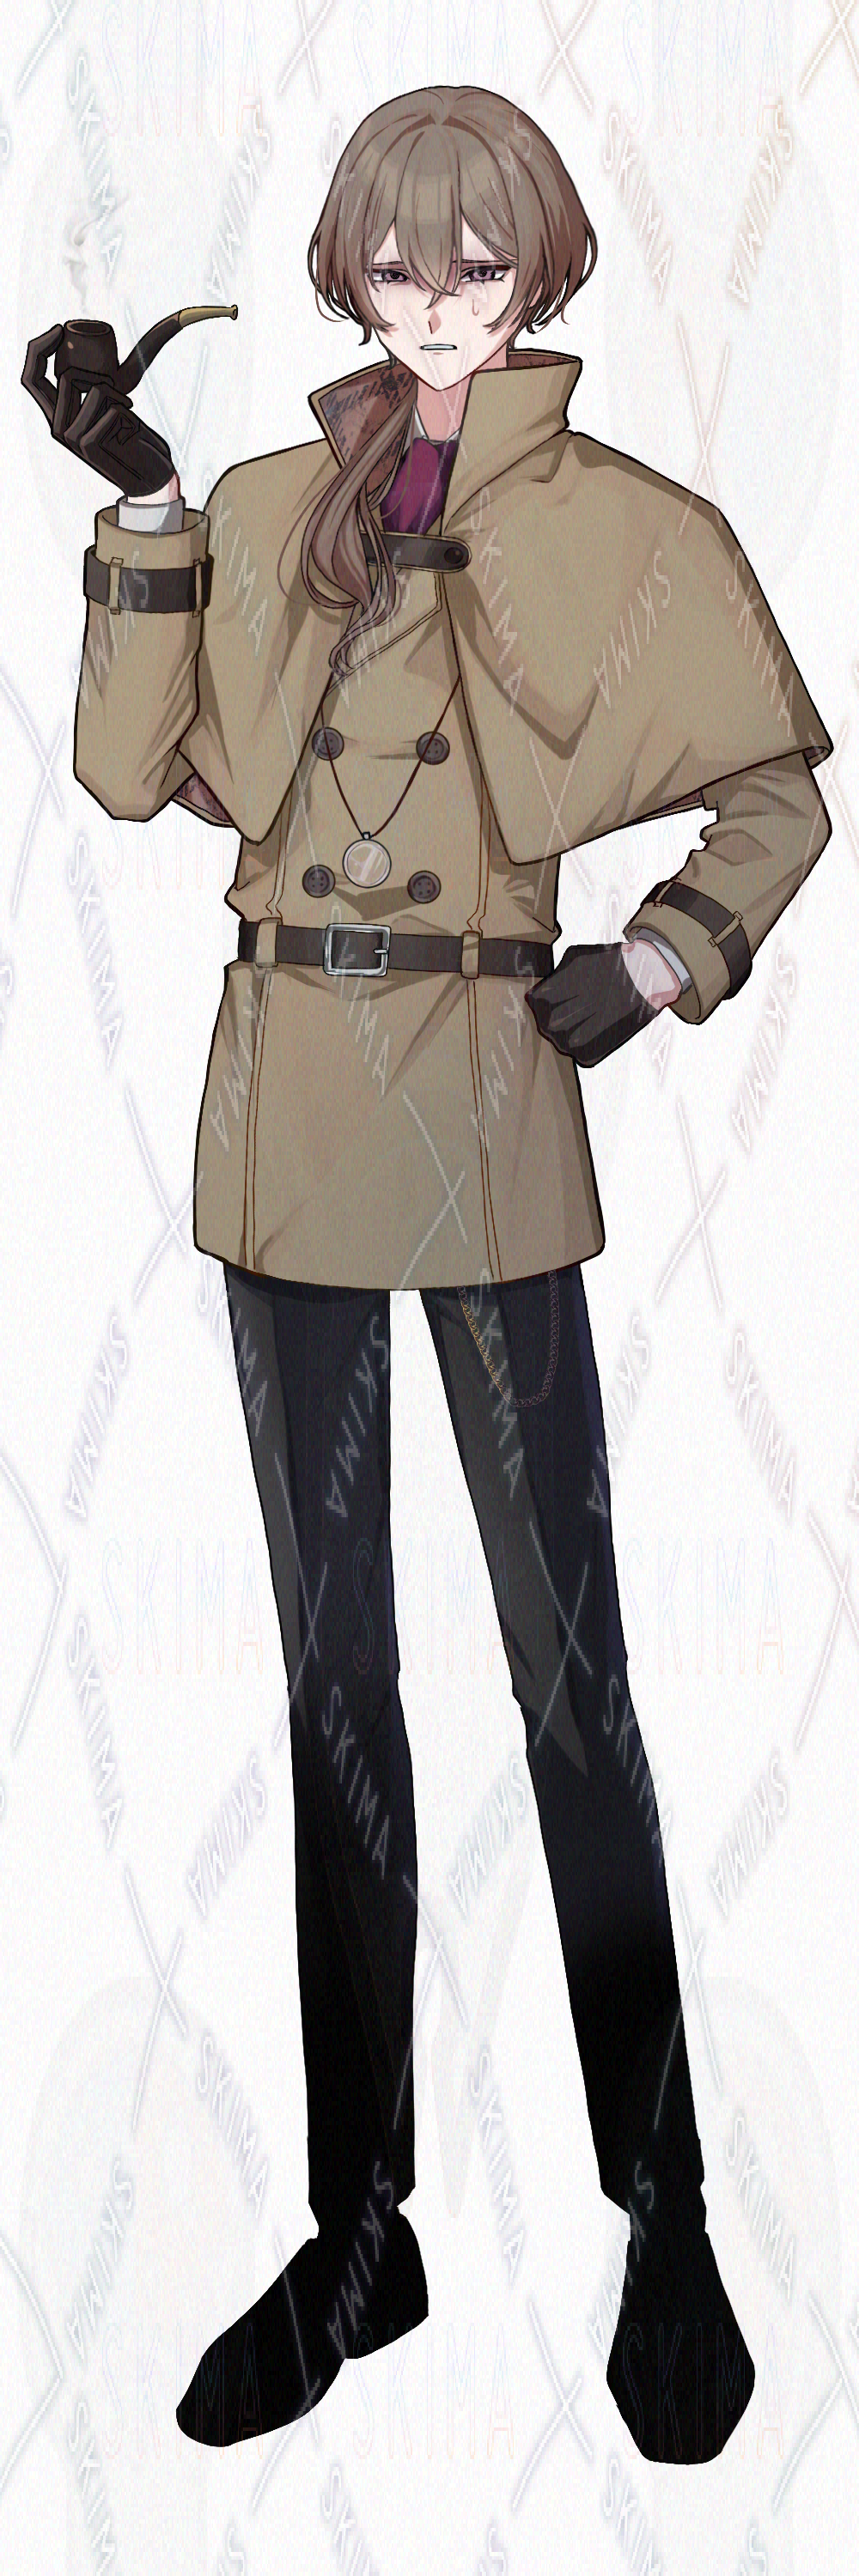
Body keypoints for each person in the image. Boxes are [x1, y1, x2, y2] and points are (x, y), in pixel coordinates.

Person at [59, 82, 832, 2461]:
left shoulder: (623, 524)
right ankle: (363, 2235)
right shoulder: (269, 506)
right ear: (349, 280)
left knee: (570, 1686)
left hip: (495, 1114)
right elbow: (128, 777)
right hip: (291, 1121)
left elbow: (781, 793)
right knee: (337, 1701)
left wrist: (666, 962)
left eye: (477, 268)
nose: (433, 306)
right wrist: (150, 514)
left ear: (543, 280)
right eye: (395, 269)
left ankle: (664, 2219)